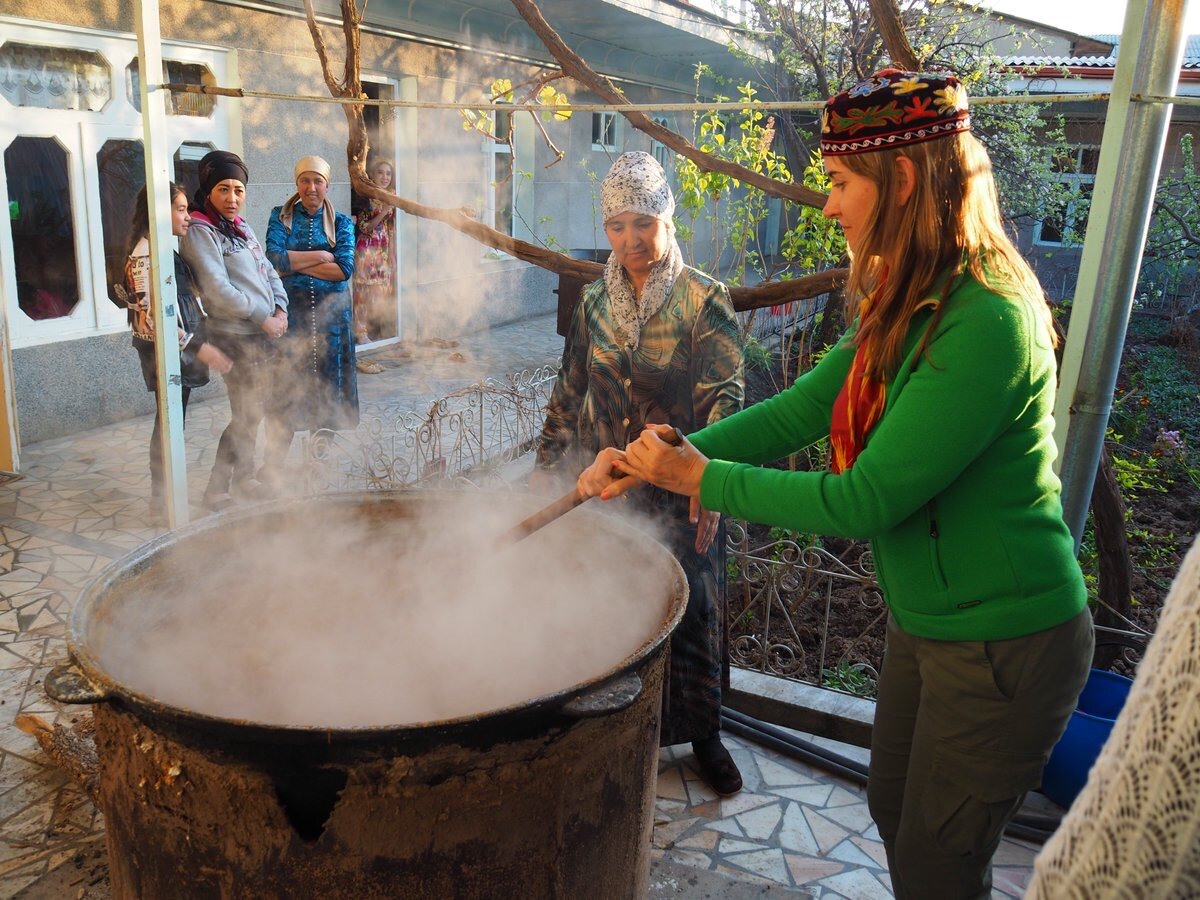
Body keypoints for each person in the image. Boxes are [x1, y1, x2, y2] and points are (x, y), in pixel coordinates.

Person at [580, 71, 1094, 898]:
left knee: (938, 863)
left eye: (843, 183)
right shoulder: (907, 299)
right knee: (895, 816)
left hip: (1003, 640)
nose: (830, 205)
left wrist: (700, 478)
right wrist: (661, 456)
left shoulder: (988, 318)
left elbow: (869, 501)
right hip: (926, 626)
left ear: (904, 182)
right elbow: (800, 410)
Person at [534, 150, 745, 795]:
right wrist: (545, 473)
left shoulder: (702, 300)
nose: (631, 240)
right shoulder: (595, 302)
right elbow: (570, 393)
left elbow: (729, 397)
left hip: (680, 493)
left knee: (692, 609)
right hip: (608, 489)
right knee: (609, 605)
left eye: (644, 223)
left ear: (668, 220)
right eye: (618, 226)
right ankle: (618, 733)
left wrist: (711, 481)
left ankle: (704, 735)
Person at [180, 150, 289, 512]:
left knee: (256, 411)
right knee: (246, 413)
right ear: (208, 191)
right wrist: (263, 316)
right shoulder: (200, 231)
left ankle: (243, 479)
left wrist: (281, 307)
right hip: (235, 336)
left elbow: (268, 270)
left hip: (261, 333)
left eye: (238, 190)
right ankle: (216, 489)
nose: (232, 198)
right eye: (223, 189)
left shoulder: (240, 227)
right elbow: (217, 288)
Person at [121, 182, 233, 521]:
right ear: (159, 211)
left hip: (176, 351)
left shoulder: (161, 249)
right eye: (181, 209)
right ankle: (161, 502)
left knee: (171, 423)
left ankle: (165, 499)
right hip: (164, 354)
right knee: (168, 425)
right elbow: (155, 319)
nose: (188, 216)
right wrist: (200, 348)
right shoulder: (145, 255)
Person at [262, 156, 358, 489]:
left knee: (328, 390)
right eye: (305, 181)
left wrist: (295, 264)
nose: (311, 187)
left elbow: (344, 269)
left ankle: (317, 462)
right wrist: (321, 256)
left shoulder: (343, 222)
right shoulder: (281, 217)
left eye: (317, 181)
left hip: (333, 322)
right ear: (297, 184)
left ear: (327, 186)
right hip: (292, 322)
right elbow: (273, 260)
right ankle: (271, 468)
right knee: (286, 391)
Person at [351, 157, 396, 374]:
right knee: (362, 294)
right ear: (373, 174)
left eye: (388, 173)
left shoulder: (391, 196)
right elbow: (365, 227)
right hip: (366, 249)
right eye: (381, 172)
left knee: (378, 295)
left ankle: (370, 330)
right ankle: (360, 334)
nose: (385, 177)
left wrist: (393, 258)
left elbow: (392, 230)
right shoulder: (366, 198)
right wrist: (385, 209)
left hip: (383, 250)